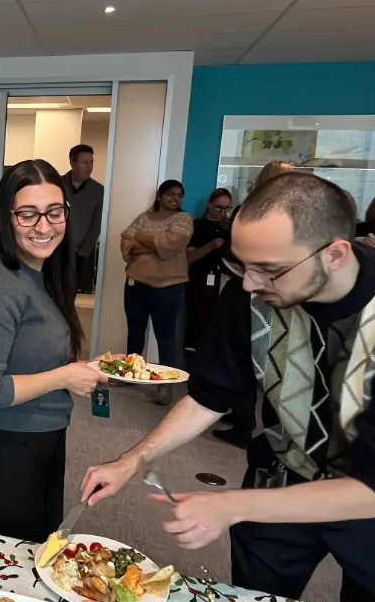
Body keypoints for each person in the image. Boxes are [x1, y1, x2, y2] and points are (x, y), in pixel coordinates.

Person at [81, 172, 375, 602]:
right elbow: (208, 396)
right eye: (241, 266)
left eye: (269, 269)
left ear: (335, 253)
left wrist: (230, 506)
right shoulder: (254, 291)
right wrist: (132, 460)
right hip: (284, 475)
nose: (250, 284)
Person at [0, 159, 106, 542]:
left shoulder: (45, 274)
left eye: (54, 212)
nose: (44, 226)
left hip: (43, 438)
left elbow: (33, 354)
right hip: (3, 449)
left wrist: (82, 369)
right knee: (1, 569)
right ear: (6, 218)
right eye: (28, 214)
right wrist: (64, 376)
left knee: (35, 556)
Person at [214, 160, 295, 448]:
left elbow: (229, 250)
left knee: (239, 355)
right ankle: (258, 425)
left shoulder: (248, 211)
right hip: (280, 297)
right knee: (268, 357)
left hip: (242, 292)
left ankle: (244, 421)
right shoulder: (295, 214)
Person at [120, 180, 193, 404]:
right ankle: (131, 372)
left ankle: (165, 385)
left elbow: (173, 243)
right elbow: (126, 241)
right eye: (170, 194)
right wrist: (156, 244)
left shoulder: (183, 219)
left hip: (168, 287)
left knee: (166, 338)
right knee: (135, 331)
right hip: (136, 284)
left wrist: (143, 240)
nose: (175, 199)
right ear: (160, 196)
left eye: (179, 195)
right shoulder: (144, 217)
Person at [185, 187, 234, 352]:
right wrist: (210, 246)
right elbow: (189, 257)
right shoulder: (198, 225)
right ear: (209, 204)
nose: (222, 212)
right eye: (218, 207)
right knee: (198, 324)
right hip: (200, 282)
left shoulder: (232, 228)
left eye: (227, 208)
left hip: (225, 282)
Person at [63, 144, 106, 295]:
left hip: (80, 254)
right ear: (72, 162)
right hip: (56, 249)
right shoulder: (57, 185)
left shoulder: (99, 191)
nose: (89, 167)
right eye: (84, 162)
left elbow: (97, 224)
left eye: (91, 162)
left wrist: (83, 253)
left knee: (70, 295)